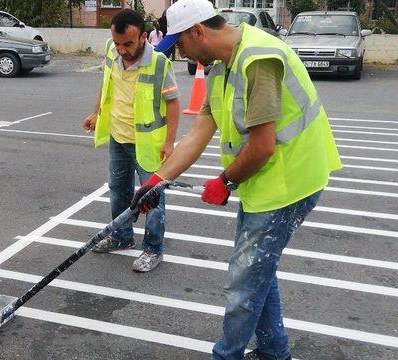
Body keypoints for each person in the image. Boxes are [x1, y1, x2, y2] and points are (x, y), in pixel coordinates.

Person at [131, 0, 342, 359]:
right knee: (258, 269)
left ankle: (226, 355)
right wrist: (157, 180)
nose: (180, 53)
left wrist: (224, 181)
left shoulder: (257, 59)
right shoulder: (220, 66)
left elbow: (261, 147)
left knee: (244, 282)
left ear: (198, 31)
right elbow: (199, 132)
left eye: (180, 44)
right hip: (265, 183)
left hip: (289, 183)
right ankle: (276, 352)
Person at [82, 9, 181, 272]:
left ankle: (153, 249)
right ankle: (122, 236)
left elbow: (173, 103)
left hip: (147, 144)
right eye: (117, 43)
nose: (122, 50)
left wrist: (170, 141)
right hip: (118, 137)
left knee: (153, 198)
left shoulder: (159, 63)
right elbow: (106, 84)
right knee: (118, 190)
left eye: (128, 44)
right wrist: (95, 112)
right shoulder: (111, 51)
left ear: (143, 37)